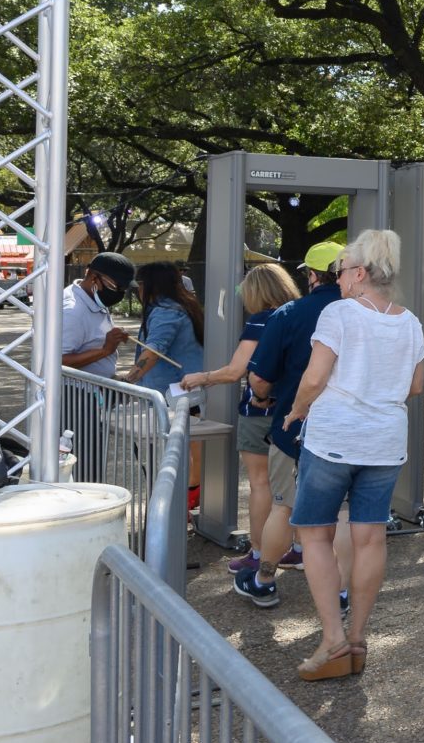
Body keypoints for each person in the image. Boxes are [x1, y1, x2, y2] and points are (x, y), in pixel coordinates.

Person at [275, 229, 424, 681]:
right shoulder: (410, 321)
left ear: (360, 273)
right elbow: (415, 387)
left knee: (314, 534)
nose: (338, 281)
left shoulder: (340, 314)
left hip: (336, 438)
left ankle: (333, 641)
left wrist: (297, 411)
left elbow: (315, 377)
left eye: (341, 272)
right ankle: (358, 639)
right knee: (370, 537)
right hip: (385, 442)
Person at [180, 261, 305, 602]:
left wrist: (201, 378)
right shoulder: (304, 315)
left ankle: (258, 552)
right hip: (298, 411)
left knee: (262, 484)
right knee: (294, 485)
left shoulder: (261, 321)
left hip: (259, 411)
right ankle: (297, 547)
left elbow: (236, 370)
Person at [242, 244, 355, 609]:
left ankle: (264, 580)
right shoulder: (365, 314)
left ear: (312, 275)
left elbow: (259, 379)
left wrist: (263, 399)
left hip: (296, 427)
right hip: (350, 430)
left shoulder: (289, 313)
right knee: (342, 514)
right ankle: (340, 594)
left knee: (284, 507)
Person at [128, 261, 203, 396]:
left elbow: (153, 352)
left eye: (140, 285)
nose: (138, 291)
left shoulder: (166, 312)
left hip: (174, 393)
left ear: (151, 286)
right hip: (181, 389)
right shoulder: (180, 306)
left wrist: (127, 381)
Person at [61, 251, 136, 371]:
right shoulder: (73, 312)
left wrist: (114, 336)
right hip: (78, 389)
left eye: (124, 289)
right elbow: (59, 361)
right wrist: (105, 350)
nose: (119, 293)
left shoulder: (93, 297)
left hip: (95, 387)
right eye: (116, 287)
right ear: (94, 278)